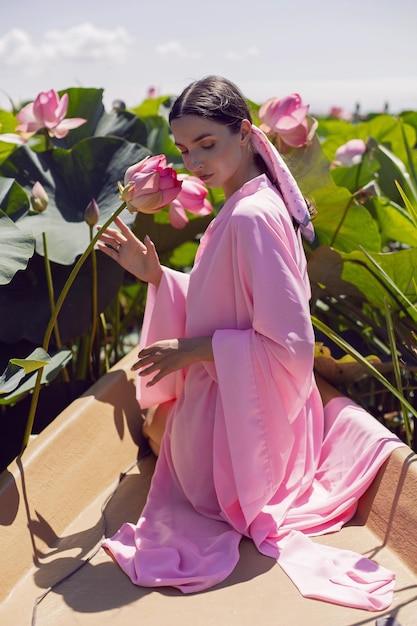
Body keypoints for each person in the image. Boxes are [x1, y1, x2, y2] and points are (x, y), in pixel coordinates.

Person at [98, 76, 403, 610]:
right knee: (160, 428)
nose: (194, 164)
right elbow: (228, 301)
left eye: (207, 145)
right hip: (243, 398)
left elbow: (287, 345)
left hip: (246, 427)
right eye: (186, 150)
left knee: (160, 434)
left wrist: (194, 351)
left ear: (244, 134)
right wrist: (158, 276)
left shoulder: (252, 215)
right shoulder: (249, 202)